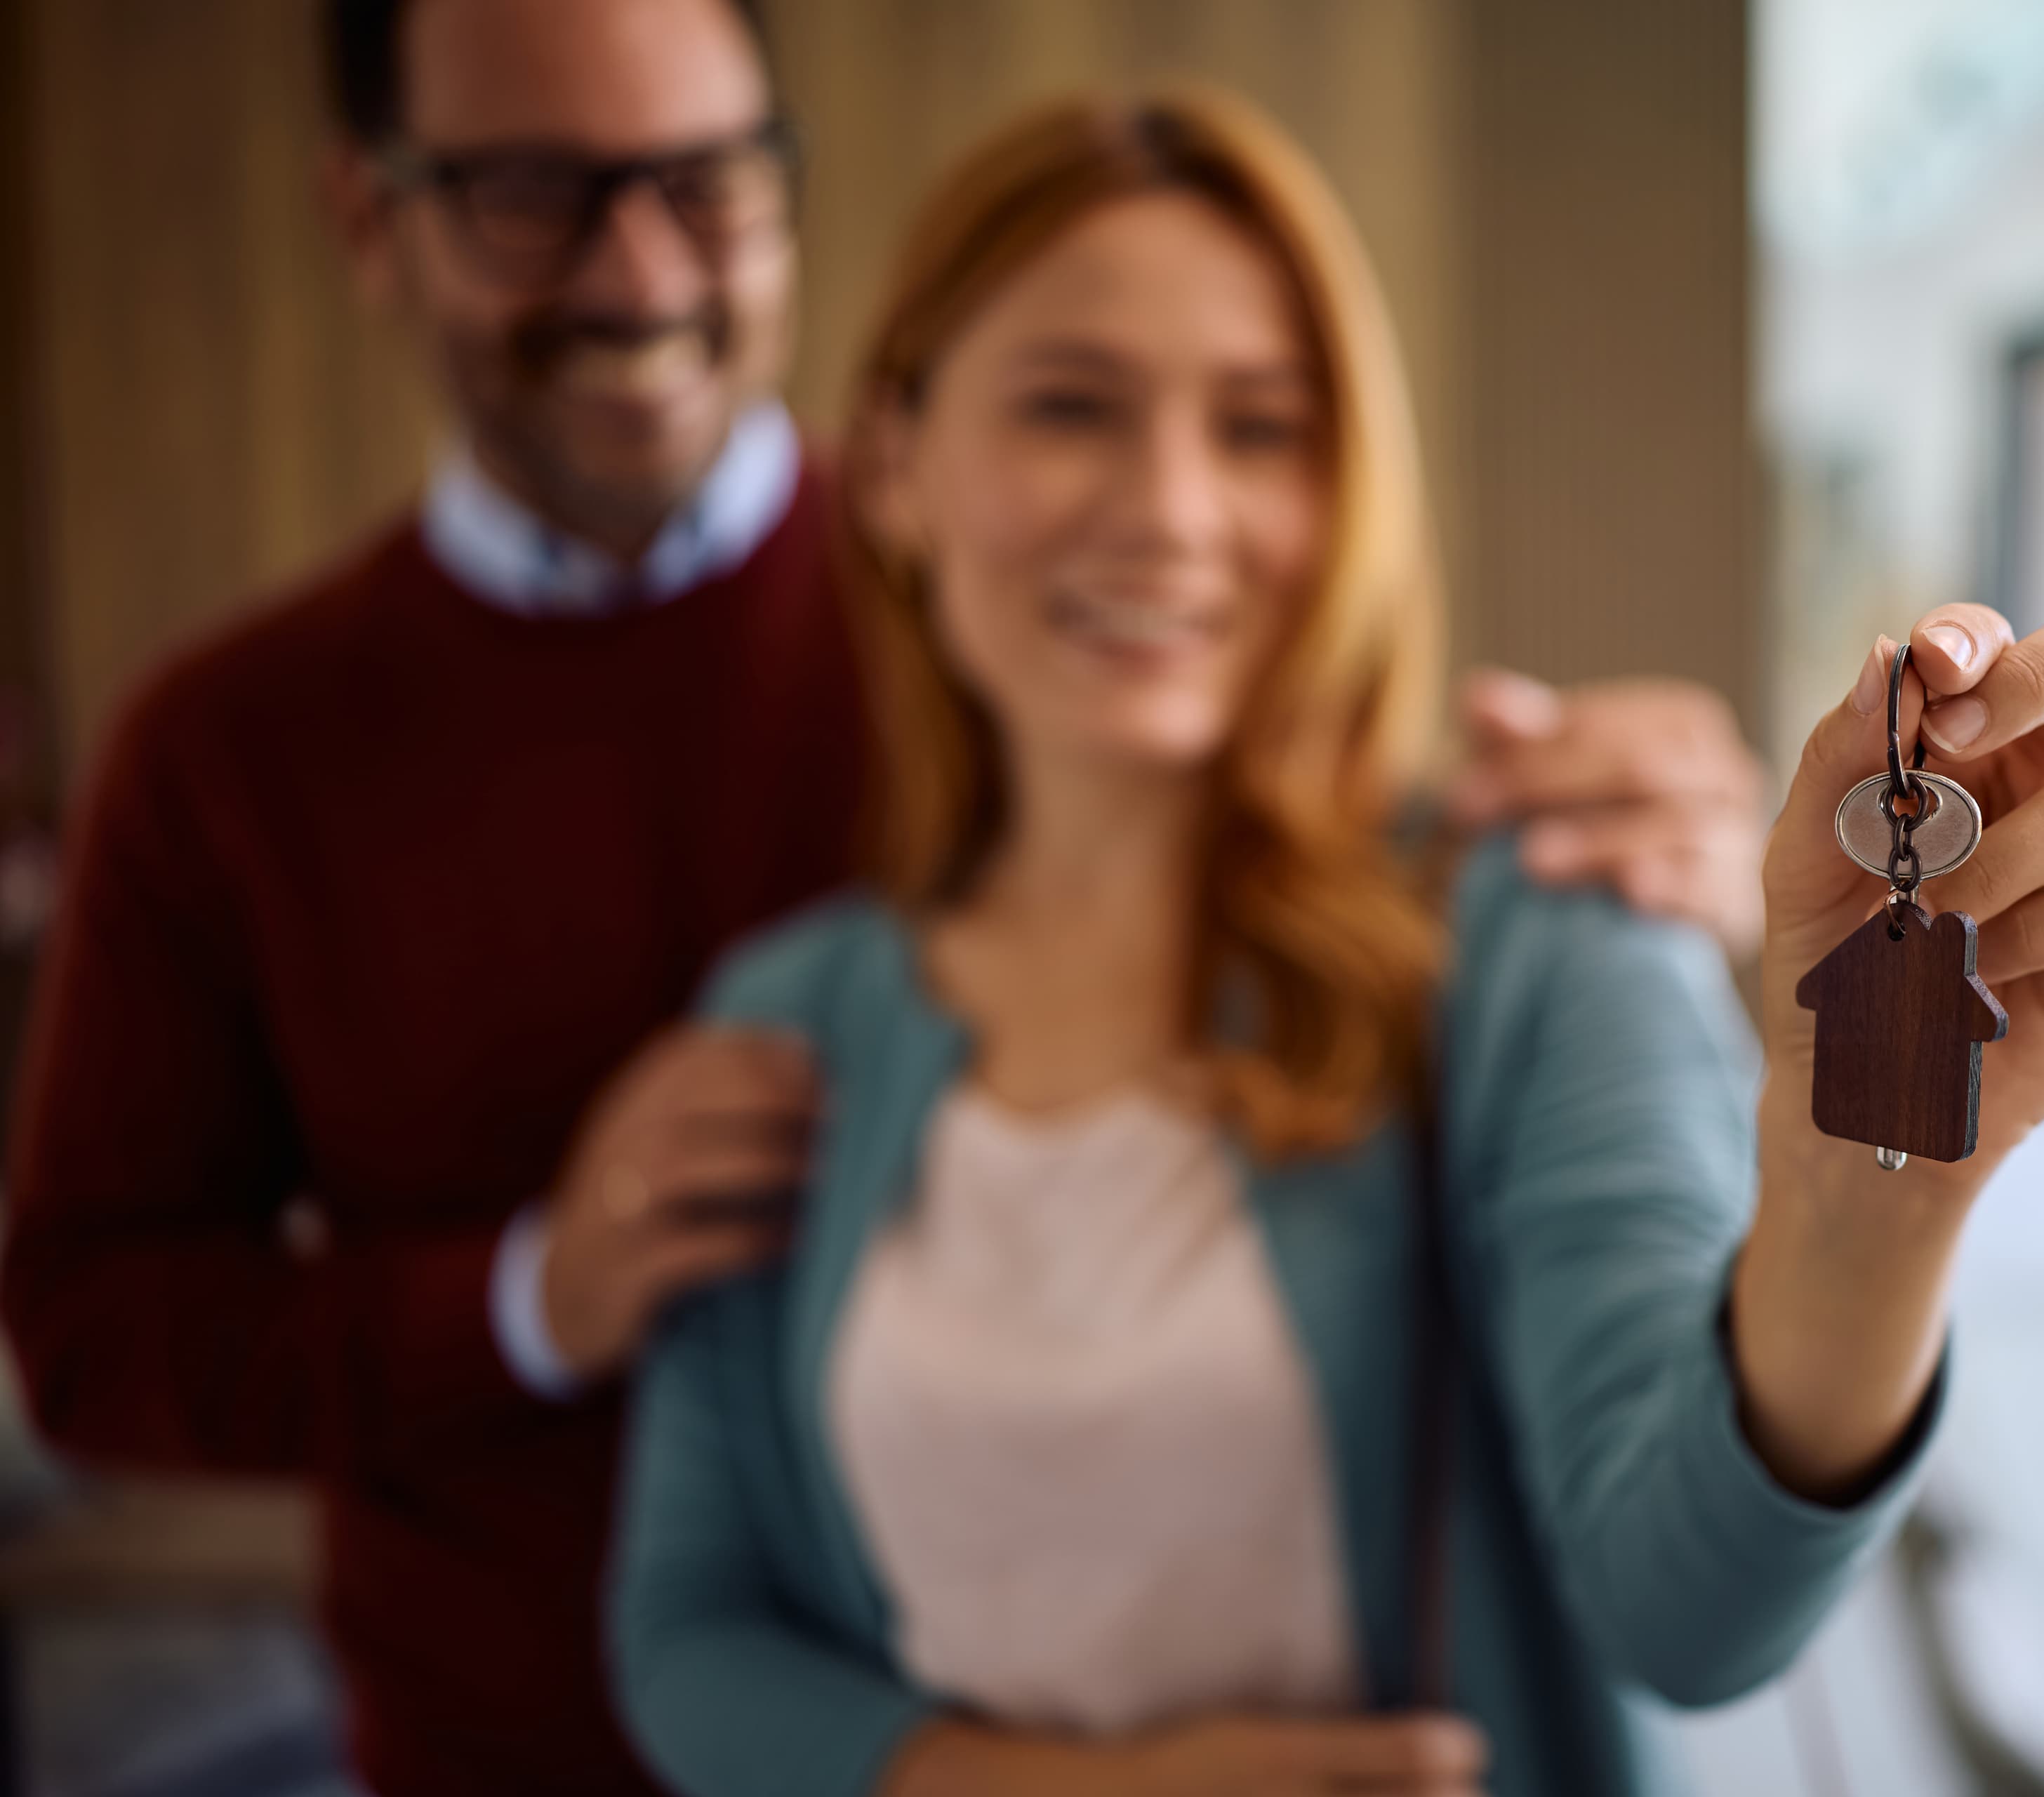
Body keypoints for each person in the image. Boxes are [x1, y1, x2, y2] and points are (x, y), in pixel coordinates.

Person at [0, 5, 1772, 1796]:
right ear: (371, 219)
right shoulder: (225, 750)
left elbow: (1313, 780)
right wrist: (538, 1293)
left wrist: (1636, 842)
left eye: (705, 184)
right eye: (530, 190)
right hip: (517, 1740)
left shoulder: (1049, 605)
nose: (637, 270)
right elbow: (86, 1327)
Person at [607, 86, 2044, 1797]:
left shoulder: (1536, 922)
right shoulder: (789, 1019)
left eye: (1265, 427)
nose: (1172, 508)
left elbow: (1697, 1605)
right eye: (1071, 405)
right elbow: (690, 1636)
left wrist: (1873, 1180)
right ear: (893, 464)